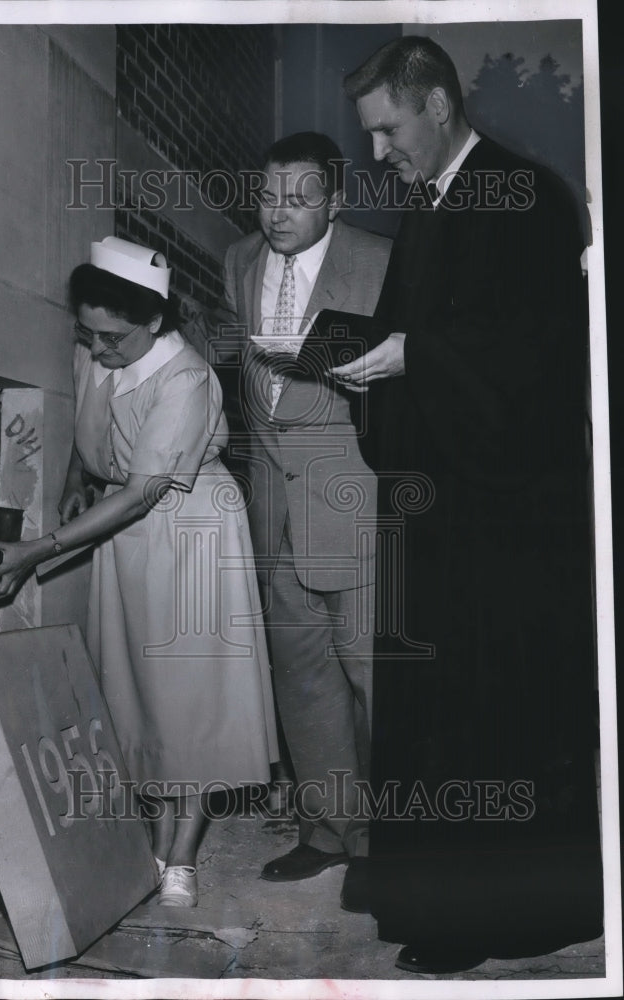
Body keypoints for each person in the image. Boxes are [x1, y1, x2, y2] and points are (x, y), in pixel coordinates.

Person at [331, 36, 604, 973]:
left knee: (495, 715)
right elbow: (420, 332)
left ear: (439, 105)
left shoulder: (530, 196)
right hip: (438, 512)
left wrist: (414, 358)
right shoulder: (430, 210)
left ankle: (491, 919)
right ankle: (431, 895)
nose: (378, 154)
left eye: (387, 130)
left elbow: (535, 354)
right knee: (434, 711)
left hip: (511, 529)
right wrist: (360, 360)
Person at [0, 236, 278, 908]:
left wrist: (39, 548)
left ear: (155, 322)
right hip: (124, 528)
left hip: (189, 529)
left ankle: (183, 854)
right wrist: (76, 481)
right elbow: (96, 440)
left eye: (114, 337)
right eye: (89, 333)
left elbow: (144, 492)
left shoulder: (188, 378)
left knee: (193, 690)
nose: (98, 349)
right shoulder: (97, 346)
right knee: (143, 688)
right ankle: (159, 829)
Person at [222, 132, 390, 889]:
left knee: (376, 676)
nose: (278, 213)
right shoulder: (238, 260)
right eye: (268, 196)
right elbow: (258, 399)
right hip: (274, 510)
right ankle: (329, 832)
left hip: (357, 499)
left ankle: (400, 843)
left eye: (300, 198)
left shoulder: (384, 261)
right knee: (304, 679)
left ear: (337, 199)